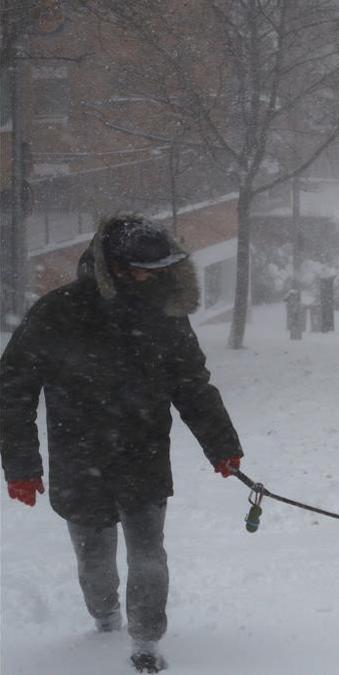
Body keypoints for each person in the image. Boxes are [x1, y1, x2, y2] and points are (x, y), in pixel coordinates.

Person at [0, 215, 244, 673]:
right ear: (111, 266)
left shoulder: (165, 315)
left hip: (143, 453)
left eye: (158, 269)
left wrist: (221, 444)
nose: (150, 278)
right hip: (79, 456)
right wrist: (21, 466)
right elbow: (13, 389)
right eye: (140, 269)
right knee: (95, 563)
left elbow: (191, 383)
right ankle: (105, 616)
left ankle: (147, 640)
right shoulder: (58, 312)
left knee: (148, 554)